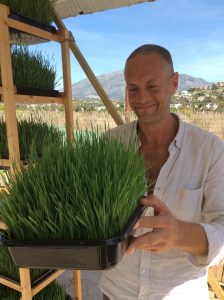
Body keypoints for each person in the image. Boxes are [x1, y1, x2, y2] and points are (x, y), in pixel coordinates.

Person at [99, 44, 224, 300]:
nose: (141, 98)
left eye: (152, 85)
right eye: (133, 88)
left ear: (174, 83)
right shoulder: (109, 144)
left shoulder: (210, 150)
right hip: (115, 291)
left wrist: (180, 235)